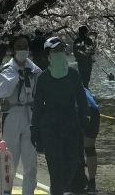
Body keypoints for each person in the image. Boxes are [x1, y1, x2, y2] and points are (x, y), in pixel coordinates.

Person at [31, 36, 88, 195]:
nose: (59, 53)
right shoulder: (43, 78)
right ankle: (57, 190)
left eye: (61, 49)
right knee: (56, 169)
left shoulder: (73, 74)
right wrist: (34, 129)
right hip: (50, 128)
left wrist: (85, 120)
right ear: (47, 55)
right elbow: (37, 105)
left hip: (71, 126)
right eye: (55, 50)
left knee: (71, 165)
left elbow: (82, 99)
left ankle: (59, 189)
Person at [0, 34, 42, 195]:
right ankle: (5, 192)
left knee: (31, 162)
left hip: (31, 117)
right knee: (9, 160)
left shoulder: (35, 70)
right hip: (12, 116)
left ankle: (28, 192)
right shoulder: (7, 70)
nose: (23, 50)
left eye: (25, 46)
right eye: (19, 47)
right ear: (12, 50)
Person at [83, 86, 101, 195]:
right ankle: (92, 182)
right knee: (89, 148)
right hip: (94, 111)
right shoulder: (84, 87)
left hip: (84, 110)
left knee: (76, 145)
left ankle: (80, 179)